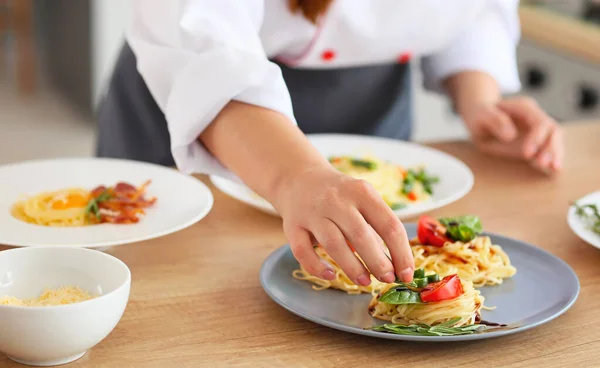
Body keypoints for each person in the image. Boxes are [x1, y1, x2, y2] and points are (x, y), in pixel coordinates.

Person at [96, 0, 564, 287]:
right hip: (206, 104)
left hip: (372, 101)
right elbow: (199, 38)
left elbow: (468, 8)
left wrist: (479, 99)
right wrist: (296, 174)